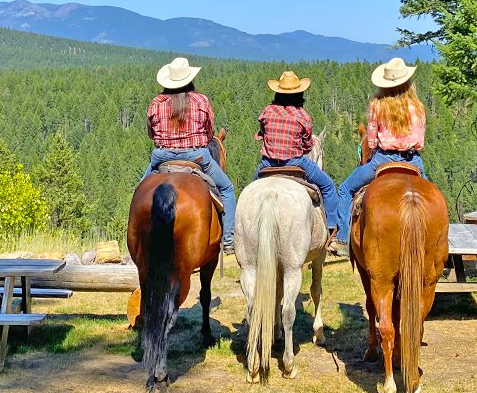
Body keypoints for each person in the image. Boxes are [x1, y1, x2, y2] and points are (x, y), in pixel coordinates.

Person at [145, 56, 237, 254]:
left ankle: (139, 236)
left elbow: (151, 133)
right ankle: (229, 240)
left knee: (140, 193)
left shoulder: (157, 102)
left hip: (162, 157)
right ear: (189, 79)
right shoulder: (200, 100)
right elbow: (210, 132)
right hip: (196, 157)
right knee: (228, 190)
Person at [334, 57, 426, 242]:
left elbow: (372, 141)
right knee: (433, 195)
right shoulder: (418, 107)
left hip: (383, 160)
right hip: (413, 160)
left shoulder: (378, 105)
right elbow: (420, 143)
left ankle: (343, 239)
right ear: (407, 81)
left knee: (344, 190)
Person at [254, 70, 339, 236]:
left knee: (249, 192)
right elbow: (307, 145)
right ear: (299, 94)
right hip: (295, 163)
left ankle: (237, 231)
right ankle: (332, 228)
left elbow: (262, 133)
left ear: (277, 92)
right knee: (328, 186)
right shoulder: (303, 115)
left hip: (268, 164)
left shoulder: (267, 111)